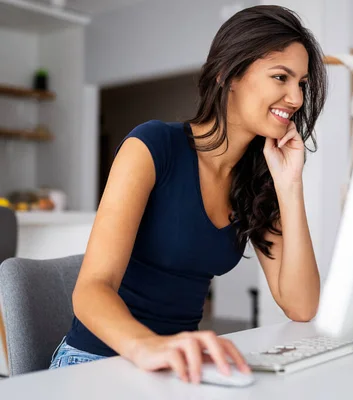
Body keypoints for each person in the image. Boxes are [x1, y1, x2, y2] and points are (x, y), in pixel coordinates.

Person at [48, 5, 327, 385]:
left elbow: (300, 305)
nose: (294, 98)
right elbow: (91, 290)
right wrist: (153, 348)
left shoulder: (260, 179)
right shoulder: (151, 147)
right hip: (95, 361)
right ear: (228, 74)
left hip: (175, 369)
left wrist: (290, 184)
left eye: (302, 84)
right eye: (281, 77)